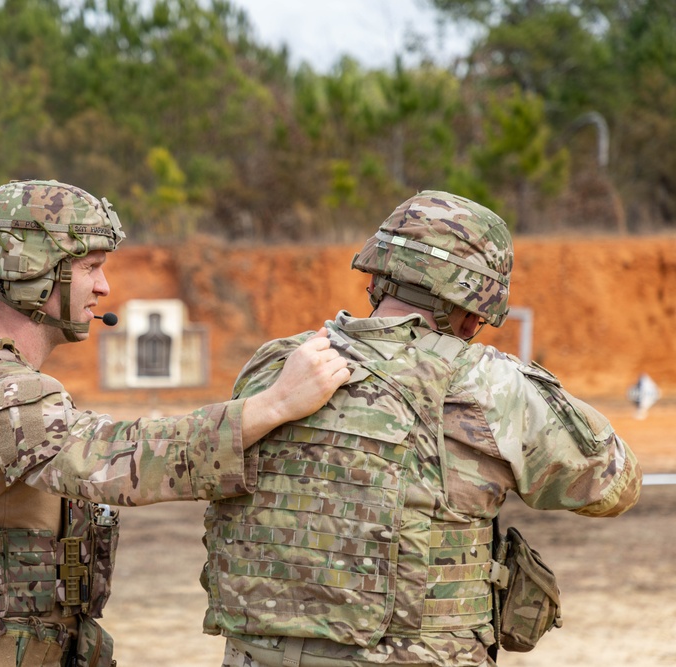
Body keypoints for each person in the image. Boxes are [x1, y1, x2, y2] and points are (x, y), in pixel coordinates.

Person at [0, 179, 350, 667]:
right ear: (32, 271)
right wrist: (275, 404)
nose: (103, 287)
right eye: (90, 267)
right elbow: (120, 462)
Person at [200, 190, 643, 667]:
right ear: (475, 311)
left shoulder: (276, 364)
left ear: (376, 278)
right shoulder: (491, 383)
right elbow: (614, 485)